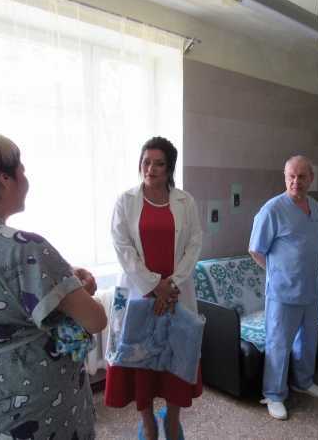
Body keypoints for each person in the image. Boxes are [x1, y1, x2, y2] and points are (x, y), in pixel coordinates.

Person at [0, 127, 107, 439]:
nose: (26, 177)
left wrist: (62, 278)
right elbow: (95, 319)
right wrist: (78, 291)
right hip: (41, 409)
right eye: (21, 168)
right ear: (4, 178)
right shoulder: (25, 247)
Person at [105, 137, 202, 440]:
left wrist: (169, 285)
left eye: (159, 163)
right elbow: (122, 248)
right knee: (140, 362)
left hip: (176, 293)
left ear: (169, 168)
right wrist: (152, 285)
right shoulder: (125, 201)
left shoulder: (186, 202)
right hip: (138, 292)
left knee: (177, 358)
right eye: (146, 162)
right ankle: (147, 422)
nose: (151, 168)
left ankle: (172, 420)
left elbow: (194, 244)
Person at [249, 155, 318, 421]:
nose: (296, 181)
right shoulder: (272, 209)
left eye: (302, 176)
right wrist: (277, 272)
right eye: (291, 176)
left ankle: (303, 382)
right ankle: (273, 394)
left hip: (311, 288)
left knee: (308, 340)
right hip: (283, 291)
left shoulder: (316, 208)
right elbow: (256, 249)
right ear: (285, 178)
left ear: (311, 178)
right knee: (279, 344)